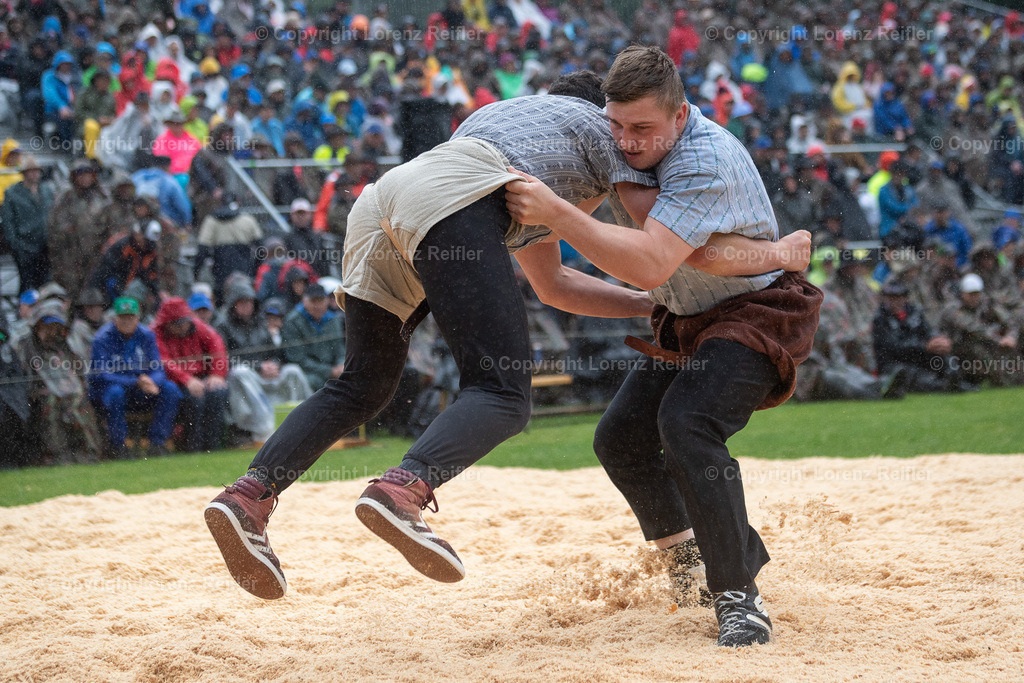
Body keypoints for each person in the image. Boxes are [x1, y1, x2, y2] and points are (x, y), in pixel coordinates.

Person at [204, 77, 809, 605]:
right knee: (501, 393)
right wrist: (770, 256)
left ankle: (251, 495)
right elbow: (660, 251)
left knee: (363, 382)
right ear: (600, 114)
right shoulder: (611, 140)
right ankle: (403, 489)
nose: (627, 140)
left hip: (384, 198)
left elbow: (555, 286)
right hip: (454, 198)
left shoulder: (509, 123)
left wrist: (649, 307)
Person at [504, 46, 821, 647]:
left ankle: (738, 597)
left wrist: (558, 213)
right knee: (620, 438)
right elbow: (555, 284)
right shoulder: (619, 150)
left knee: (687, 423)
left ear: (680, 115)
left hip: (759, 311)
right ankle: (690, 568)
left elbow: (654, 261)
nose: (626, 141)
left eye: (642, 128)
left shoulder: (705, 157)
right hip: (688, 314)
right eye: (616, 126)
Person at [216, 280, 312, 443]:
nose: (247, 305)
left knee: (293, 371)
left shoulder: (260, 323)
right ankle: (262, 429)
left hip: (268, 375)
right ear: (233, 304)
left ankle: (307, 424)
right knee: (240, 372)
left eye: (249, 301)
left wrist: (274, 365)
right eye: (242, 302)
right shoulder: (223, 326)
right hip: (247, 378)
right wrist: (258, 367)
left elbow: (276, 353)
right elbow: (224, 360)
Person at [13, 299, 104, 465]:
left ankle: (89, 451)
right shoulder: (27, 345)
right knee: (52, 403)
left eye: (57, 325)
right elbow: (24, 376)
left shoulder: (65, 345)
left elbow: (79, 371)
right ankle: (57, 454)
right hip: (38, 393)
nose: (53, 329)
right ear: (39, 324)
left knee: (77, 403)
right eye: (49, 325)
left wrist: (77, 388)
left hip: (70, 391)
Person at [89, 297, 181, 458]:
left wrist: (152, 381)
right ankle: (119, 447)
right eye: (123, 317)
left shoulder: (147, 335)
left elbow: (158, 368)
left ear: (138, 318)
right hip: (111, 391)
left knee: (170, 389)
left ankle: (157, 443)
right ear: (114, 318)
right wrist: (135, 382)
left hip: (142, 389)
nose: (127, 321)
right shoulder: (102, 339)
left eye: (131, 317)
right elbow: (101, 375)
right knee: (115, 393)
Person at [153, 297, 230, 452]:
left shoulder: (197, 327)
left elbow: (217, 347)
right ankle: (192, 446)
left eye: (185, 321)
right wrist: (187, 380)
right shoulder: (156, 334)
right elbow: (164, 362)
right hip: (174, 382)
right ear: (168, 324)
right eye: (179, 323)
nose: (184, 326)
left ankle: (212, 445)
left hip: (201, 377)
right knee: (195, 399)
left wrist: (217, 374)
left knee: (218, 392)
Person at [2, 155, 53, 292]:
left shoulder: (47, 190)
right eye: (31, 171)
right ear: (24, 173)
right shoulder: (12, 193)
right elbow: (8, 222)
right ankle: (24, 312)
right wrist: (17, 246)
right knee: (27, 284)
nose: (35, 174)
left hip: (45, 245)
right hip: (25, 245)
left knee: (45, 285)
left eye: (37, 171)